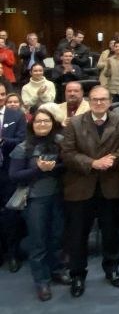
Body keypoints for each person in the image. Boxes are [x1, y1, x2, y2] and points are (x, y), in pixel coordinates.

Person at [60, 86, 119, 297]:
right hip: (81, 186)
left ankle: (112, 269)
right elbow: (67, 153)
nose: (99, 103)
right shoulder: (74, 123)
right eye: (94, 99)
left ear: (110, 101)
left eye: (103, 99)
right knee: (78, 236)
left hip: (110, 185)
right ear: (88, 101)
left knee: (111, 234)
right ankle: (77, 275)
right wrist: (93, 163)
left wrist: (111, 160)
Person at [8, 109, 71, 301]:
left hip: (59, 198)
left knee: (57, 237)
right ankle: (41, 281)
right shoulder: (23, 147)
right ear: (31, 125)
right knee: (38, 242)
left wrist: (54, 167)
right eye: (38, 122)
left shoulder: (61, 142)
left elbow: (68, 165)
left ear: (52, 123)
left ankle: (57, 270)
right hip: (35, 200)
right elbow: (14, 176)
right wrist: (38, 170)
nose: (42, 125)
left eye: (46, 121)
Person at [0, 84, 30, 275]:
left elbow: (22, 140)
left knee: (10, 215)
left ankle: (13, 253)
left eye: (2, 94)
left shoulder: (16, 115)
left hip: (7, 172)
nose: (1, 98)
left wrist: (3, 141)